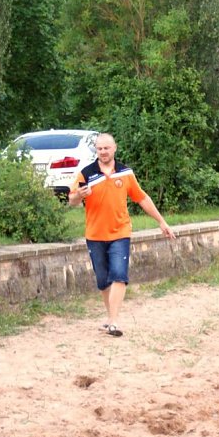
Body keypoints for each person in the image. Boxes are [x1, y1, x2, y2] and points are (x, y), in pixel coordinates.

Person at [68, 133, 176, 337]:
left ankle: (114, 322)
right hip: (95, 234)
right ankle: (110, 318)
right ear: (96, 150)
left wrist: (161, 222)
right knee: (103, 279)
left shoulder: (125, 173)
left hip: (120, 232)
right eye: (99, 149)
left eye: (106, 148)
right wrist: (78, 196)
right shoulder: (87, 173)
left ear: (114, 148)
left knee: (118, 274)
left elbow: (141, 197)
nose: (103, 152)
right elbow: (72, 199)